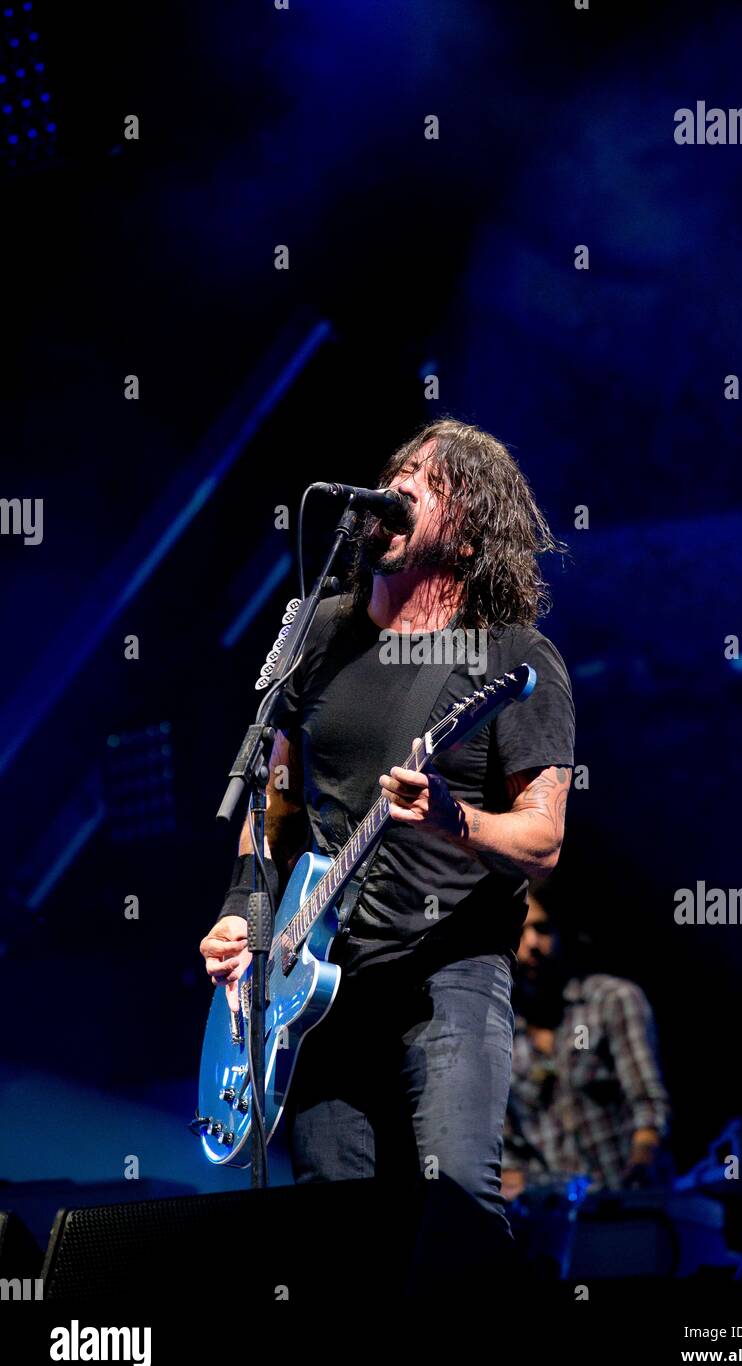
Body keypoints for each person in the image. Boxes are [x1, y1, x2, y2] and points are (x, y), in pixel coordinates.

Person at [199, 418, 575, 1241]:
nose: (402, 480)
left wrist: (456, 816)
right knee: (335, 1227)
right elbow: (274, 811)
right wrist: (245, 920)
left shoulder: (512, 658)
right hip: (315, 986)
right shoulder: (319, 632)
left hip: (449, 973)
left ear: (472, 535)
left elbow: (543, 840)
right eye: (400, 467)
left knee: (457, 1208)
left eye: (432, 479)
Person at [502, 887, 672, 1200]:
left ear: (563, 932)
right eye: (518, 932)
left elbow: (647, 1101)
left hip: (627, 1205)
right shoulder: (499, 1032)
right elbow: (506, 1145)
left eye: (542, 928)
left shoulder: (612, 1001)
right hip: (552, 1224)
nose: (532, 945)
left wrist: (643, 1158)